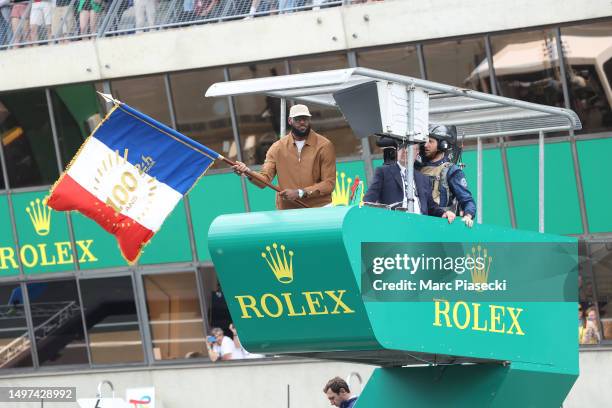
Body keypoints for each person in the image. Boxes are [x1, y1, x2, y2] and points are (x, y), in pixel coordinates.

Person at [233, 104, 336, 210]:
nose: (302, 122)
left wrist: (300, 193)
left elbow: (329, 183)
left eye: (305, 119)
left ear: (309, 120)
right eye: (298, 119)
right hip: (288, 211)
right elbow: (265, 179)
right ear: (290, 121)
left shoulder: (324, 145)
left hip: (320, 208)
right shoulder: (277, 147)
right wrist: (247, 172)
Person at [363, 142, 456, 222]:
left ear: (417, 152)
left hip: (420, 228)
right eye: (402, 147)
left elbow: (431, 207)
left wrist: (443, 213)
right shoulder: (383, 172)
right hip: (395, 226)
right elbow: (368, 201)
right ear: (397, 151)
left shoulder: (423, 178)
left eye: (410, 148)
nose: (405, 151)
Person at [417, 124, 476, 228]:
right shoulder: (416, 168)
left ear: (442, 145)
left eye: (430, 141)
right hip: (419, 223)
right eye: (425, 141)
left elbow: (467, 200)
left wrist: (468, 216)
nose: (425, 145)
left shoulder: (451, 171)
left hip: (440, 226)